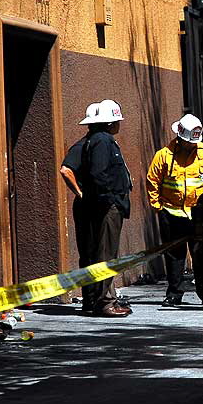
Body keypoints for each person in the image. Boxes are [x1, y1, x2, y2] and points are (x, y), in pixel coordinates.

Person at [146, 113, 203, 307]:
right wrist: (158, 207)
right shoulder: (164, 155)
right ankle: (174, 293)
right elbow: (152, 181)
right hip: (172, 214)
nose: (192, 145)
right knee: (174, 256)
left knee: (202, 255)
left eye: (194, 142)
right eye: (189, 142)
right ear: (180, 138)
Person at [79, 99, 133, 317]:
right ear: (110, 123)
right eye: (117, 120)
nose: (119, 124)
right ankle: (105, 302)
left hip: (109, 205)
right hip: (108, 207)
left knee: (105, 253)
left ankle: (103, 299)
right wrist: (113, 198)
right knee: (106, 255)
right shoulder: (103, 141)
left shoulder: (101, 140)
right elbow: (99, 174)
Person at [60, 103, 99, 314]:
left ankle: (92, 298)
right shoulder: (82, 146)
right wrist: (80, 192)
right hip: (87, 206)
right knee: (90, 253)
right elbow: (66, 170)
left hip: (90, 204)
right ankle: (90, 299)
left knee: (93, 253)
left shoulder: (93, 144)